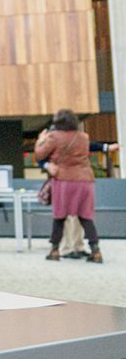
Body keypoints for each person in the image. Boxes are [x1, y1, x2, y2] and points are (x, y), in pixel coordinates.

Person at [35, 109, 103, 263]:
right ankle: (96, 251)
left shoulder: (54, 137)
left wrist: (40, 140)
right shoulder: (84, 137)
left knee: (60, 216)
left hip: (64, 180)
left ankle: (54, 251)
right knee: (86, 217)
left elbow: (40, 154)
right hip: (85, 181)